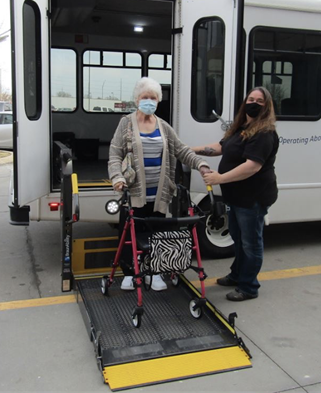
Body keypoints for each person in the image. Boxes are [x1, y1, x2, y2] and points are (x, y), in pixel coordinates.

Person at [108, 77, 210, 291]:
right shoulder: (126, 123)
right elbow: (115, 154)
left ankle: (154, 273)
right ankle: (130, 272)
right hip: (134, 192)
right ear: (137, 99)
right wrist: (117, 177)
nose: (149, 101)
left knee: (157, 233)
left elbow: (181, 150)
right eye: (145, 97)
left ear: (158, 100)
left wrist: (200, 164)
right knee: (130, 233)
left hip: (160, 193)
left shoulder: (163, 126)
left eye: (153, 98)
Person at [192, 87, 279, 301]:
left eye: (259, 101)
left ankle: (249, 287)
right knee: (238, 239)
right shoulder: (241, 127)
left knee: (251, 242)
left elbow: (252, 166)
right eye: (251, 99)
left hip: (253, 198)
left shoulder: (264, 133)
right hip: (236, 197)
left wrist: (219, 178)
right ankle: (237, 274)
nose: (254, 103)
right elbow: (220, 147)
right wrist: (189, 149)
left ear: (266, 106)